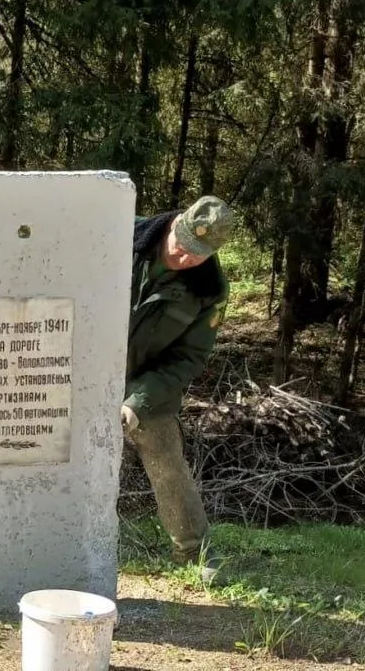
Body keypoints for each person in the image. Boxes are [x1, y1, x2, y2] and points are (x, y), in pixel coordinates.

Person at [122, 195, 234, 582]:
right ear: (173, 225)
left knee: (166, 457)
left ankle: (194, 551)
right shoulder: (119, 232)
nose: (186, 258)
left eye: (197, 254)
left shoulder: (210, 290)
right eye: (182, 246)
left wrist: (140, 399)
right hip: (79, 365)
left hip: (147, 380)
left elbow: (189, 357)